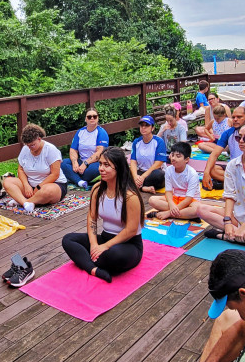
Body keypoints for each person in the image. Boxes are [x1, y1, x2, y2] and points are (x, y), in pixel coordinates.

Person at [61, 147, 144, 282]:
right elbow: (92, 217)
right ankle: (93, 269)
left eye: (107, 165)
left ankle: (87, 262)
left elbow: (131, 230)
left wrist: (105, 247)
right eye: (100, 164)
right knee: (68, 239)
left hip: (128, 244)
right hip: (105, 238)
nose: (101, 168)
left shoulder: (130, 196)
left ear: (118, 168)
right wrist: (94, 245)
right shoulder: (97, 189)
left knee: (114, 255)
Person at [1, 124, 68, 212]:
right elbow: (20, 169)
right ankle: (27, 203)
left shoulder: (51, 150)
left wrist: (39, 186)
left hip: (51, 184)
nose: (30, 148)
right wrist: (26, 185)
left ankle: (23, 201)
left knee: (47, 191)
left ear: (39, 139)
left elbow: (55, 174)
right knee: (7, 181)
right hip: (30, 186)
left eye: (32, 145)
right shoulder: (25, 149)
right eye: (28, 145)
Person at [146, 142, 201, 220]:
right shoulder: (169, 170)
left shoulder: (192, 173)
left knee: (196, 210)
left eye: (178, 156)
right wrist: (171, 204)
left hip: (190, 201)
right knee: (152, 200)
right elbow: (168, 191)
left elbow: (189, 198)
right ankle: (185, 215)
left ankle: (169, 214)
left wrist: (168, 213)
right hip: (175, 198)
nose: (173, 158)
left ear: (186, 159)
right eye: (172, 155)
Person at [201, 106, 245, 190]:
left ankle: (234, 183)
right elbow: (214, 154)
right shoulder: (228, 133)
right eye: (233, 117)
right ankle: (238, 183)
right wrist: (206, 172)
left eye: (239, 117)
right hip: (234, 167)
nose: (235, 119)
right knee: (212, 170)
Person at [60, 109, 109, 189]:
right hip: (81, 162)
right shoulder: (80, 132)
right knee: (63, 163)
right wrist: (75, 162)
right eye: (89, 117)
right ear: (85, 119)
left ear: (98, 118)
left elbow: (100, 152)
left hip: (95, 163)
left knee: (93, 170)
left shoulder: (101, 132)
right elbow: (73, 150)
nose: (92, 118)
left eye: (94, 116)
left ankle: (75, 178)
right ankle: (80, 182)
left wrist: (86, 163)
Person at [130, 116, 168, 193]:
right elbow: (133, 161)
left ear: (152, 128)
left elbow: (158, 164)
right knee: (123, 172)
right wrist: (135, 176)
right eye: (142, 125)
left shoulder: (159, 142)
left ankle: (137, 186)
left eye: (146, 125)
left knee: (159, 176)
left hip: (154, 172)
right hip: (140, 172)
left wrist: (143, 177)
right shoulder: (136, 142)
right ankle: (143, 188)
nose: (143, 128)